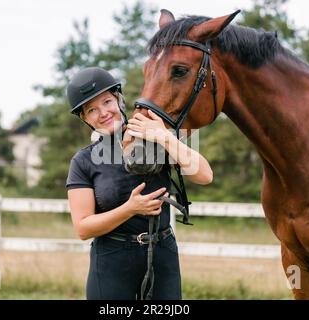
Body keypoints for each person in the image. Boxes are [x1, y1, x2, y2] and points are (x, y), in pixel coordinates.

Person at [65, 67, 213, 300]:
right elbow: (83, 229)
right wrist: (130, 209)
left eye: (106, 102)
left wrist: (164, 136)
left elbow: (205, 176)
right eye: (91, 110)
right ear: (85, 119)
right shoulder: (83, 161)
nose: (103, 112)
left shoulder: (154, 140)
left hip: (161, 255)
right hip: (112, 260)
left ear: (119, 100)